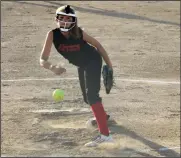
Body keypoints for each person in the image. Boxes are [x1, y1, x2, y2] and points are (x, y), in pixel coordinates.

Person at [40, 5, 114, 147]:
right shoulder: (52, 34)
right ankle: (103, 117)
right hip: (83, 65)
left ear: (74, 21)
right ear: (57, 19)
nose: (65, 22)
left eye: (68, 19)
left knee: (92, 95)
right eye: (62, 18)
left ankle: (105, 135)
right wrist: (52, 67)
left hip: (93, 60)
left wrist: (109, 66)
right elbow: (42, 59)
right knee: (87, 98)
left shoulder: (78, 33)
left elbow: (98, 45)